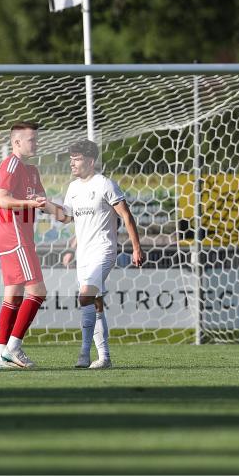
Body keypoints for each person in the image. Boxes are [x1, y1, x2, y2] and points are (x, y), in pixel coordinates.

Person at [54, 139, 145, 369]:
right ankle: (104, 358)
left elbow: (126, 215)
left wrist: (136, 247)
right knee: (95, 304)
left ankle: (84, 354)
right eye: (71, 158)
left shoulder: (105, 184)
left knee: (85, 296)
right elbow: (67, 218)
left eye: (77, 159)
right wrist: (46, 205)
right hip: (83, 255)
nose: (72, 163)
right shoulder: (73, 188)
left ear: (91, 161)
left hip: (104, 251)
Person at [0, 121, 65, 369]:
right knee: (38, 291)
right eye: (31, 139)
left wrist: (62, 213)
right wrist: (29, 204)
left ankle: (0, 356)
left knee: (13, 294)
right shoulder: (11, 164)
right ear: (16, 142)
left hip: (20, 236)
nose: (36, 143)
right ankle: (13, 348)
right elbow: (2, 200)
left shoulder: (32, 170)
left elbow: (42, 202)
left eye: (37, 138)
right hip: (14, 235)